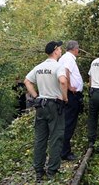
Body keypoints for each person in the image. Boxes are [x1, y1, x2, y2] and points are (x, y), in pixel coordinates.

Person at [24, 40, 68, 181]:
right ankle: (52, 171)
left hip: (41, 105)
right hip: (55, 105)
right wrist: (64, 97)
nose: (61, 51)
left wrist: (36, 96)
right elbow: (62, 81)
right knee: (56, 137)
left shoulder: (39, 67)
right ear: (55, 51)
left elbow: (27, 81)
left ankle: (38, 171)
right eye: (60, 49)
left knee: (40, 138)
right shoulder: (58, 66)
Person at [60, 40, 84, 161]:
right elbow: (65, 72)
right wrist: (69, 86)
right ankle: (65, 152)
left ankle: (64, 149)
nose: (78, 51)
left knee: (68, 122)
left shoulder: (66, 58)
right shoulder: (68, 58)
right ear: (75, 49)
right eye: (78, 49)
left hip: (71, 93)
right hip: (71, 94)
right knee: (69, 123)